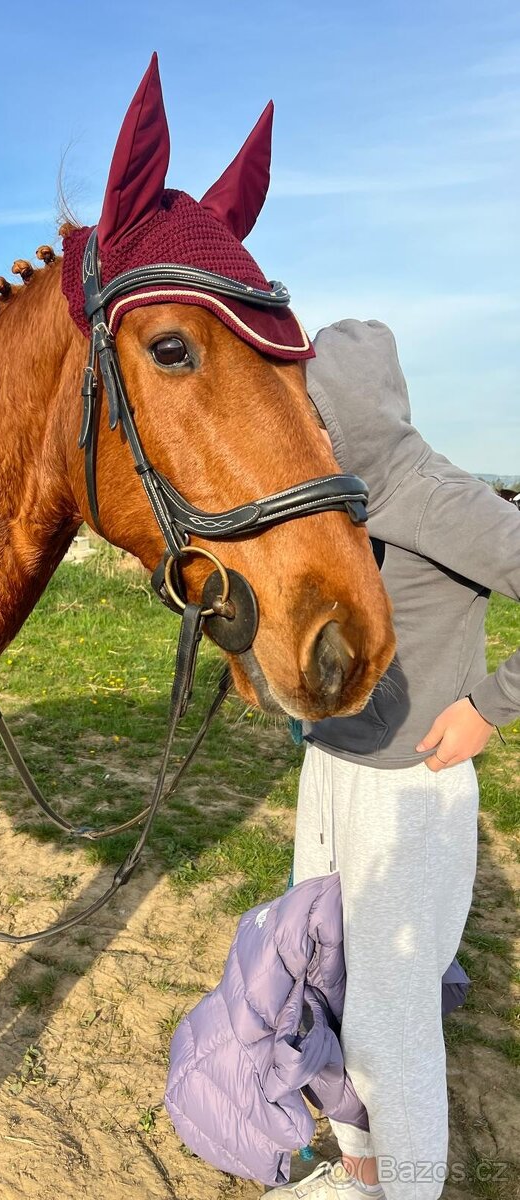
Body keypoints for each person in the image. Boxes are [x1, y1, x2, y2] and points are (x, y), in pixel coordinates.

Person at [264, 318, 520, 1200]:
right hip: (333, 775)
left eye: (307, 409)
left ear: (346, 410)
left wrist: (490, 708)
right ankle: (356, 1173)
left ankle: (406, 1191)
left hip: (409, 793)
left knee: (391, 1022)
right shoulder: (338, 505)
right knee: (326, 980)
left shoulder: (441, 498)